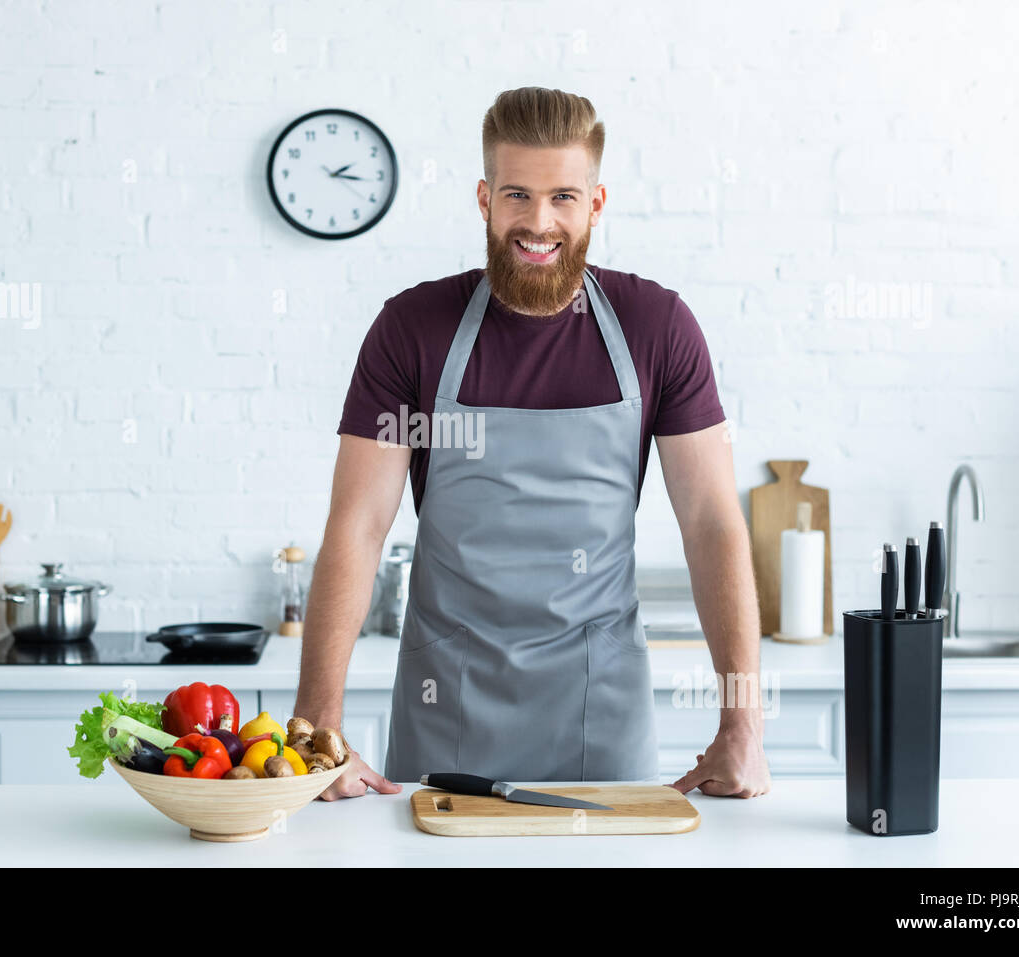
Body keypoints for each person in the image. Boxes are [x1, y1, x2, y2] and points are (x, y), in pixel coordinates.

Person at [294, 87, 770, 801]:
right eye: (518, 194)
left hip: (602, 717)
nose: (539, 223)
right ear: (484, 199)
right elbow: (358, 526)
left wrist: (743, 727)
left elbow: (711, 525)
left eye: (563, 198)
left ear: (597, 203)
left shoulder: (658, 327)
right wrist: (317, 725)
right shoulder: (411, 329)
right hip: (444, 712)